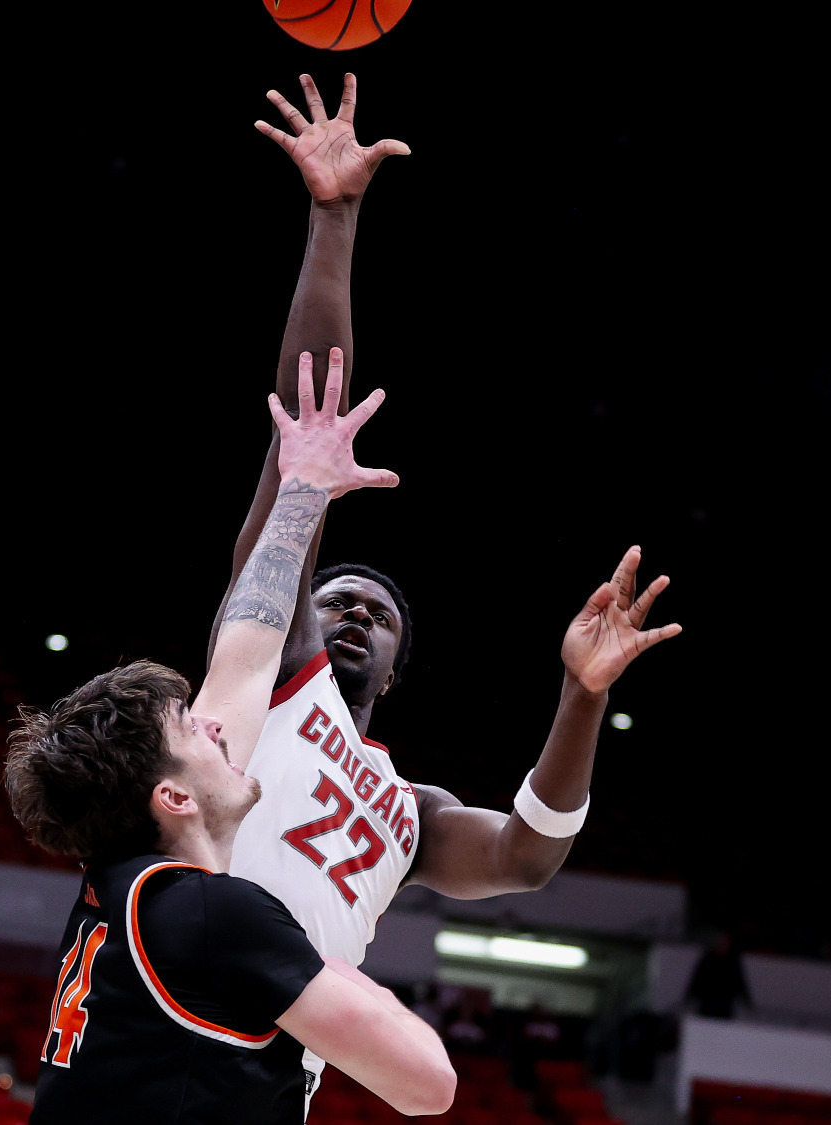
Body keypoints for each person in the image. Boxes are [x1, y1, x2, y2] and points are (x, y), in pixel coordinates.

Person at [219, 81, 677, 1101]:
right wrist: (331, 220)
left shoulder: (406, 809)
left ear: (396, 661)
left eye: (377, 617)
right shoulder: (269, 677)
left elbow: (522, 857)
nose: (352, 615)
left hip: (274, 1083)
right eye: (336, 598)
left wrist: (582, 696)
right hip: (179, 1007)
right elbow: (303, 419)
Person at [6, 372, 454, 1121]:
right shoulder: (215, 914)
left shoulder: (124, 882)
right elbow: (428, 1082)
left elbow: (248, 647)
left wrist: (304, 488)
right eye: (196, 730)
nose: (218, 725)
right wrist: (352, 979)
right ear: (173, 795)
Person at [685, 932, 752, 1020]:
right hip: (707, 1003)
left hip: (724, 1005)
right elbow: (698, 979)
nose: (723, 945)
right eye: (721, 942)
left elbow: (739, 982)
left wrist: (747, 1001)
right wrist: (689, 997)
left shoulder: (732, 961)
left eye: (726, 942)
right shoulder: (708, 959)